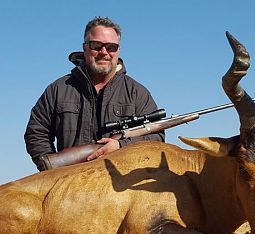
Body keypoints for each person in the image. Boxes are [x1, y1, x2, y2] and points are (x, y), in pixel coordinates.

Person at [24, 17, 165, 171]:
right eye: (96, 45)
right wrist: (52, 170)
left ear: (118, 51)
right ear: (85, 48)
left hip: (119, 189)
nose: (104, 52)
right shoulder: (58, 89)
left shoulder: (137, 92)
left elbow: (156, 137)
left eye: (111, 47)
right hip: (69, 184)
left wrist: (121, 145)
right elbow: (36, 132)